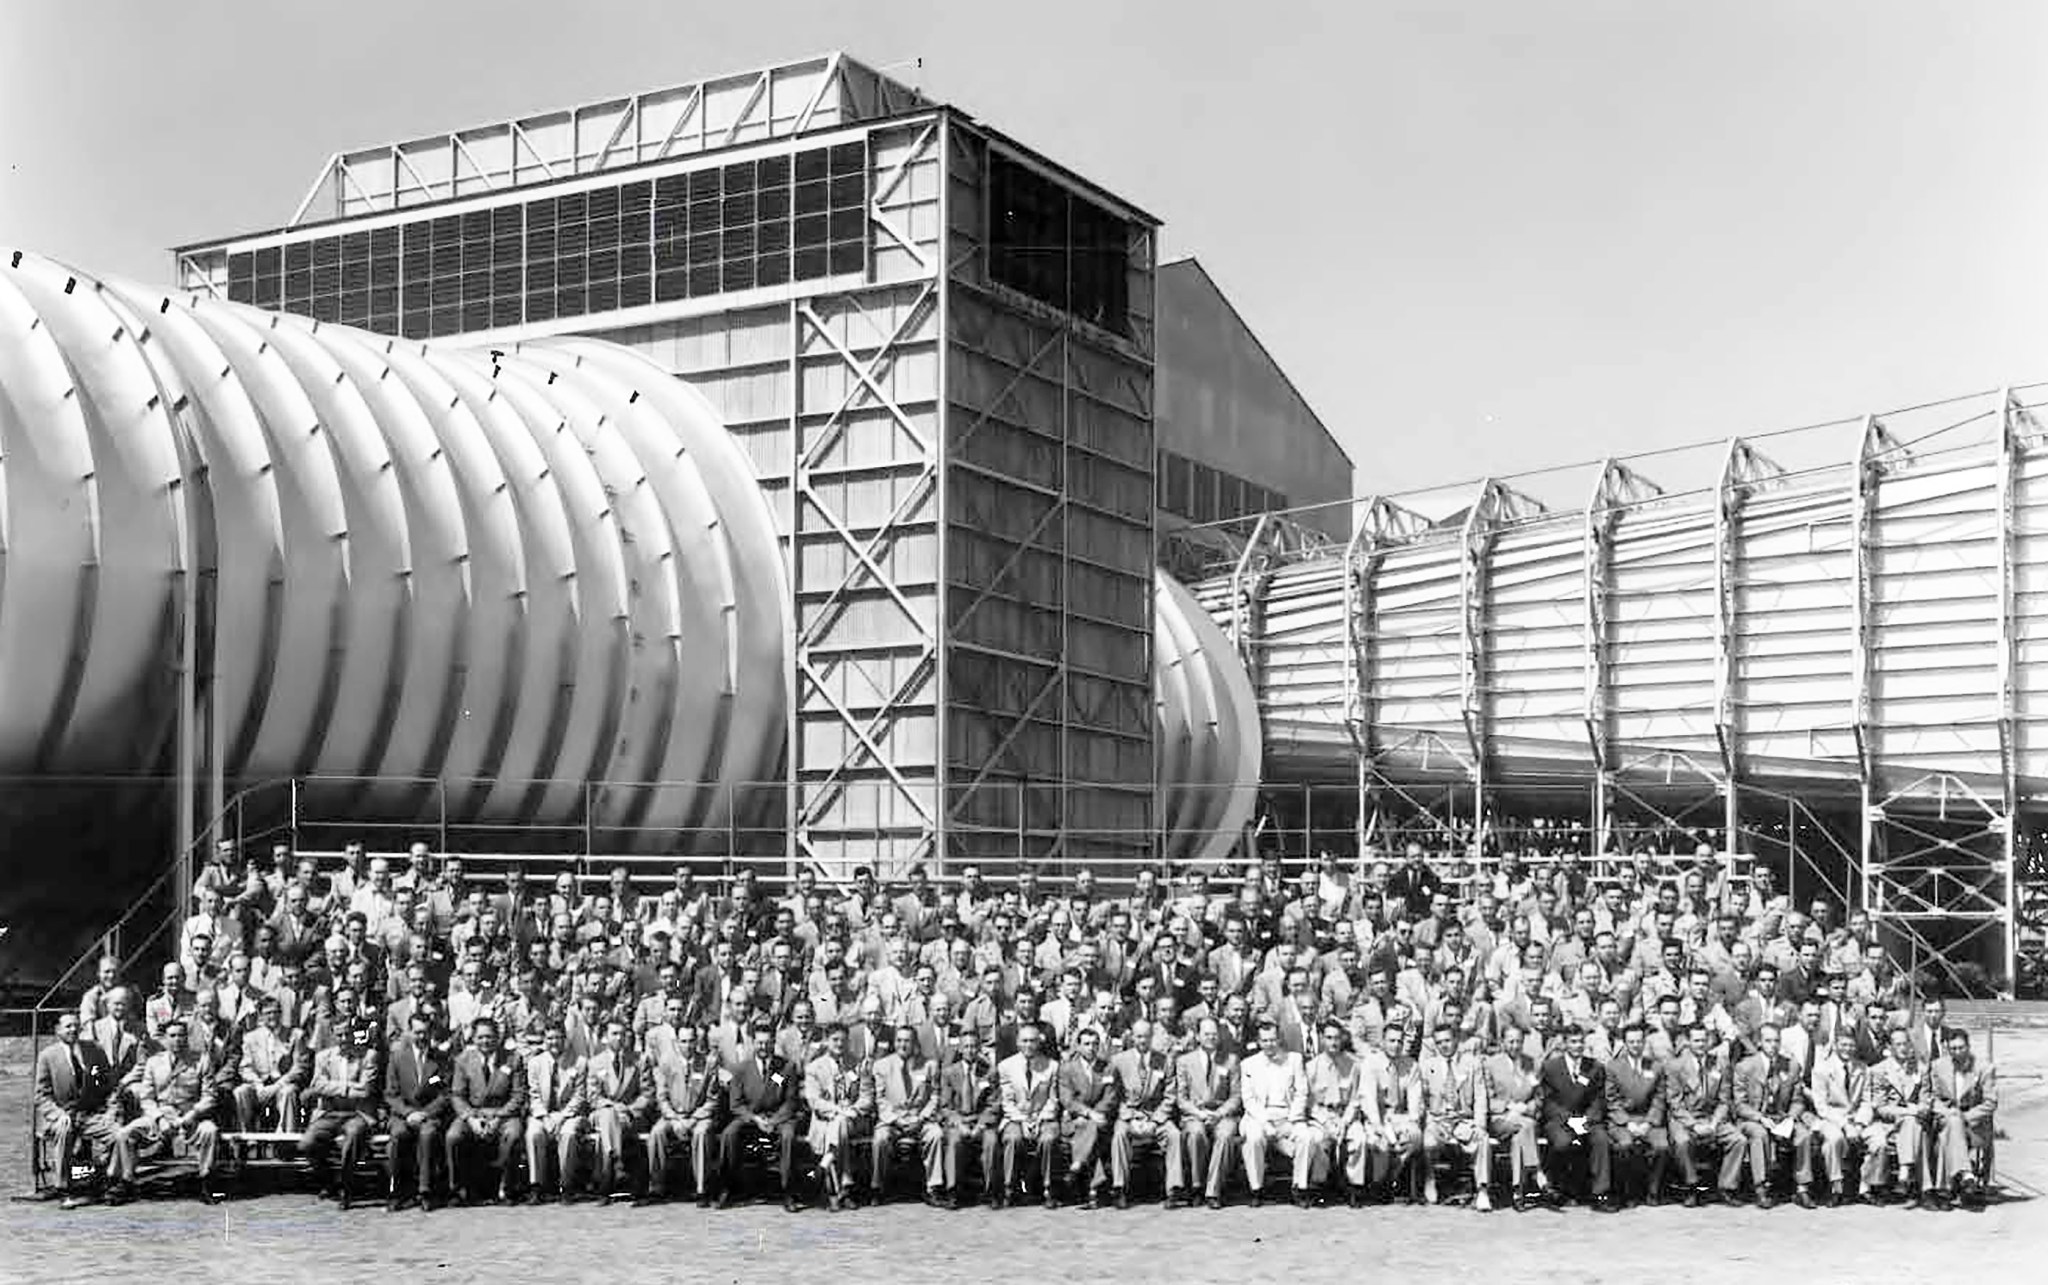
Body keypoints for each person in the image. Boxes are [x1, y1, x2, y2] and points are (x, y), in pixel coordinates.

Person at [116, 1014, 224, 1204]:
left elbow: (210, 1096)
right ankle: (127, 1182)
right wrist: (159, 1118)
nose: (177, 1040)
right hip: (161, 1116)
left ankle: (207, 1182)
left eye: (181, 1036)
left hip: (190, 1115)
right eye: (172, 1036)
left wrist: (193, 1114)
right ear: (164, 1039)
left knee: (210, 1131)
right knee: (125, 1134)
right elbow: (147, 1098)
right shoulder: (153, 1062)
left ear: (187, 1038)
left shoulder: (201, 1060)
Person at [716, 1013, 800, 1211]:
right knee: (729, 1134)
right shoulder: (741, 1069)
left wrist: (774, 1121)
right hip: (751, 1118)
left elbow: (790, 1101)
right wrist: (754, 1119)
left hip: (778, 1118)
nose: (763, 1047)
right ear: (752, 1043)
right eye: (759, 1043)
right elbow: (736, 1104)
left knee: (789, 1135)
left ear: (773, 1042)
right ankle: (728, 1187)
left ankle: (788, 1191)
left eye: (768, 1043)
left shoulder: (786, 1067)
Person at [34, 1012, 119, 1209]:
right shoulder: (48, 1056)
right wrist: (58, 1114)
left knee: (118, 1135)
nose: (73, 1029)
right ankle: (64, 1188)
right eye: (68, 1026)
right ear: (58, 1030)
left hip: (89, 1114)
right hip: (61, 1115)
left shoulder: (94, 1051)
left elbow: (106, 1085)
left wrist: (110, 1111)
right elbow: (41, 1095)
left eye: (75, 1026)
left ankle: (104, 1179)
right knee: (65, 1131)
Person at [298, 1020, 381, 1209]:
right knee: (307, 1143)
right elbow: (317, 1086)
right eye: (339, 1035)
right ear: (333, 1036)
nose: (343, 1039)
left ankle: (347, 1186)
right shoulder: (323, 1057)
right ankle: (328, 1181)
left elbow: (365, 1091)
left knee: (352, 1136)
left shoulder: (368, 1056)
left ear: (354, 1035)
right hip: (330, 1112)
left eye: (347, 1034)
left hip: (357, 1113)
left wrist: (332, 1088)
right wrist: (347, 1087)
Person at [446, 1015, 526, 1205]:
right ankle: (458, 1190)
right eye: (480, 1037)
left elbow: (518, 1095)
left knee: (513, 1134)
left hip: (503, 1113)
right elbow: (457, 1095)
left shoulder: (513, 1059)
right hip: (473, 1113)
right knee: (453, 1136)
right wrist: (470, 1118)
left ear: (497, 1038)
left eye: (489, 1037)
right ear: (473, 1038)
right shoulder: (463, 1060)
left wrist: (499, 1117)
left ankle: (507, 1189)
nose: (485, 1041)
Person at [1731, 1023, 1811, 1208]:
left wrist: (1791, 1117)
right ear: (1759, 1042)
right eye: (1768, 1041)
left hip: (1781, 1118)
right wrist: (1760, 1118)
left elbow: (1798, 1100)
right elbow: (1739, 1104)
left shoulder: (1790, 1065)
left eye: (1776, 1041)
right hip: (1753, 1118)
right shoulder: (1745, 1066)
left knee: (1803, 1134)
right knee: (1759, 1134)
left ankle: (1802, 1188)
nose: (1773, 1045)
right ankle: (1761, 1188)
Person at [646, 1022, 723, 1206]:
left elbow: (713, 1099)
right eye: (683, 1041)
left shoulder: (707, 1063)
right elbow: (662, 1097)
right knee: (656, 1133)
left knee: (701, 1133)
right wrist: (673, 1118)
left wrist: (694, 1118)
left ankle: (701, 1189)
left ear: (697, 1041)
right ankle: (656, 1187)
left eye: (691, 1041)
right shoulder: (666, 1062)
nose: (687, 1045)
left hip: (699, 1116)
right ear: (676, 1043)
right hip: (674, 1115)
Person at [1108, 1018, 1181, 1208]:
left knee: (1174, 1134)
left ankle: (1173, 1189)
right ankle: (1120, 1187)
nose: (1143, 1040)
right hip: (1129, 1114)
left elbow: (1170, 1095)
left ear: (1152, 1037)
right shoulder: (1119, 1061)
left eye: (1147, 1036)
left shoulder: (1164, 1060)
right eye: (1139, 1036)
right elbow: (1113, 1096)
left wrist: (1155, 1120)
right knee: (1119, 1135)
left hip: (1155, 1114)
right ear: (1132, 1037)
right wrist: (1129, 1117)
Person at [383, 1010, 451, 1210]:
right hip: (403, 1114)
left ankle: (425, 1191)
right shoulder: (397, 1058)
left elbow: (444, 1094)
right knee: (398, 1135)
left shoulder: (440, 1059)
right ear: (409, 1033)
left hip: (428, 1114)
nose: (421, 1037)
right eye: (417, 1032)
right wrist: (408, 1113)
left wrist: (426, 1113)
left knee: (428, 1134)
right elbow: (391, 1094)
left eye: (425, 1033)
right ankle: (396, 1192)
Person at [1537, 1026, 1612, 1209]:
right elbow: (1548, 1101)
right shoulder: (1551, 1067)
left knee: (1601, 1139)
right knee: (1563, 1143)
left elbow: (1597, 1099)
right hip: (1560, 1120)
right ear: (1564, 1044)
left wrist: (1587, 1120)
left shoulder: (1595, 1067)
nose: (1578, 1046)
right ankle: (1563, 1189)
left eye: (1580, 1042)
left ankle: (1600, 1194)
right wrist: (1569, 1119)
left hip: (1587, 1120)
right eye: (1573, 1042)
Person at [869, 1022, 941, 1205]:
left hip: (919, 1119)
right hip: (893, 1121)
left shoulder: (929, 1065)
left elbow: (934, 1097)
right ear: (894, 1042)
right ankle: (878, 1187)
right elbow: (880, 1099)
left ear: (915, 1043)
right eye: (899, 1040)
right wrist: (896, 1120)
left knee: (936, 1134)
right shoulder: (881, 1066)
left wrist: (922, 1118)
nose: (903, 1045)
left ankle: (933, 1188)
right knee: (880, 1138)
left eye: (907, 1041)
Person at [1238, 1017, 1307, 1207]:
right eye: (1265, 1041)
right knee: (1254, 1137)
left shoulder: (1294, 1060)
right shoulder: (1248, 1064)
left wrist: (1292, 1121)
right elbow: (1249, 1100)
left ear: (1279, 1039)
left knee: (1305, 1136)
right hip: (1259, 1116)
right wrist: (1265, 1123)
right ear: (1259, 1042)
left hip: (1288, 1116)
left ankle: (1300, 1188)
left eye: (1273, 1040)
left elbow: (1302, 1093)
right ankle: (1256, 1189)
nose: (1269, 1044)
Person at [1479, 1026, 1549, 1210]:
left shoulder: (1531, 1063)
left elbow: (1539, 1096)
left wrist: (1527, 1108)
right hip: (1500, 1119)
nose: (1515, 1045)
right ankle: (1537, 1171)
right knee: (1526, 1126)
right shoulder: (1491, 1064)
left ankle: (1518, 1190)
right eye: (1510, 1041)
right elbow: (1486, 1097)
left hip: (1523, 1118)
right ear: (1502, 1042)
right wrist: (1508, 1107)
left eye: (1518, 1041)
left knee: (1521, 1134)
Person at [1176, 1014, 1242, 1209]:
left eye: (1214, 1034)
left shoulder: (1231, 1060)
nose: (1210, 1037)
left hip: (1222, 1114)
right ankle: (1197, 1185)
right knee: (1195, 1134)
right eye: (1206, 1034)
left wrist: (1219, 1113)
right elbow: (1181, 1098)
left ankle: (1213, 1191)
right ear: (1197, 1036)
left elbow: (1236, 1096)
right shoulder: (1184, 1061)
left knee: (1225, 1135)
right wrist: (1199, 1114)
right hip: (1196, 1113)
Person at [1602, 1022, 1671, 1207]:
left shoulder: (1656, 1066)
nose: (1636, 1045)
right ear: (1625, 1043)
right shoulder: (1613, 1067)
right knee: (1625, 1145)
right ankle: (1629, 1191)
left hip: (1647, 1119)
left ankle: (1653, 1191)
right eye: (1631, 1042)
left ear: (1644, 1042)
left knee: (1662, 1146)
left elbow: (1659, 1097)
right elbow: (1611, 1100)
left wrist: (1649, 1122)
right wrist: (1627, 1123)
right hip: (1623, 1120)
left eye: (1639, 1041)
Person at [583, 1018, 651, 1200]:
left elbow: (647, 1094)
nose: (619, 1038)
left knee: (609, 1123)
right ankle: (619, 1164)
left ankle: (605, 1182)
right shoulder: (595, 1063)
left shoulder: (639, 1061)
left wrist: (628, 1109)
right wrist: (615, 1108)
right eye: (614, 1034)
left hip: (629, 1116)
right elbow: (592, 1096)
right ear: (605, 1036)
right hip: (602, 1113)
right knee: (607, 1115)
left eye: (622, 1034)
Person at [1928, 1027, 1996, 1208]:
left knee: (1949, 1132)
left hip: (1973, 1124)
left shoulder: (1984, 1068)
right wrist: (1947, 1112)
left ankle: (1945, 1189)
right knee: (1952, 1123)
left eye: (1961, 1048)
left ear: (1969, 1046)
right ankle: (1966, 1175)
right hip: (1946, 1116)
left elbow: (1990, 1103)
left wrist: (1965, 1116)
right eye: (1953, 1049)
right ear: (1948, 1049)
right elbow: (1932, 1097)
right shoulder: (1938, 1066)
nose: (1957, 1052)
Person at [804, 1024, 870, 1211]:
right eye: (835, 1040)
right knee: (839, 1127)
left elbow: (867, 1097)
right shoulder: (814, 1068)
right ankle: (844, 1189)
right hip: (825, 1121)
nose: (839, 1044)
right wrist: (839, 1111)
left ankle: (829, 1180)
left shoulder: (857, 1064)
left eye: (843, 1040)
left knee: (840, 1126)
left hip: (854, 1121)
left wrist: (855, 1109)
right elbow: (814, 1101)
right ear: (826, 1041)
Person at [996, 1022, 1060, 1207]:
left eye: (1032, 1041)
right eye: (1024, 1041)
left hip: (1044, 1117)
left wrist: (1040, 1119)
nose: (1029, 1045)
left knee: (1048, 1138)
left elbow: (1053, 1099)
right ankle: (1009, 1187)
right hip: (1016, 1118)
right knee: (1013, 1138)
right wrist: (1022, 1120)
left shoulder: (1052, 1066)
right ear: (1017, 1042)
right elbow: (1007, 1101)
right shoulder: (1006, 1066)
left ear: (1039, 1042)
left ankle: (1048, 1188)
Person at [1419, 1019, 1482, 1207]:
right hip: (1439, 1120)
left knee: (1481, 1139)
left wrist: (1480, 1124)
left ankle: (1481, 1189)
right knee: (1429, 1142)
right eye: (1438, 1043)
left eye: (1447, 1041)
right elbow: (1422, 1099)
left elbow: (1480, 1098)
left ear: (1456, 1040)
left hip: (1463, 1119)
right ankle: (1430, 1178)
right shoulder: (1427, 1066)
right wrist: (1428, 1119)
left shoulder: (1471, 1063)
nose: (1443, 1046)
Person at [1864, 1024, 1930, 1204]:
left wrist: (1923, 1108)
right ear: (1890, 1047)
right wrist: (1908, 1111)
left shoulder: (1920, 1068)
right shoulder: (1879, 1070)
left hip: (1916, 1122)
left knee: (1914, 1123)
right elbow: (1880, 1107)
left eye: (1905, 1043)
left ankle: (1904, 1170)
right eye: (1898, 1044)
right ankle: (1920, 1183)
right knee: (1911, 1121)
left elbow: (1926, 1098)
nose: (1903, 1048)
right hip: (1888, 1124)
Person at [936, 1026, 1000, 1209]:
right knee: (954, 1140)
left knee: (991, 1140)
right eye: (967, 1046)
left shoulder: (988, 1072)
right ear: (960, 1049)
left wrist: (980, 1125)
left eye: (974, 1046)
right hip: (959, 1121)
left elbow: (993, 1104)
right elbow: (945, 1106)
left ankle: (991, 1191)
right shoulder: (949, 1073)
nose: (970, 1050)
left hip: (981, 1121)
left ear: (979, 1048)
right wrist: (958, 1123)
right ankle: (953, 1191)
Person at [523, 1023, 587, 1203]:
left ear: (565, 1040)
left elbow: (580, 1095)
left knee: (568, 1134)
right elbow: (533, 1095)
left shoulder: (579, 1062)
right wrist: (544, 1117)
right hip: (543, 1113)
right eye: (550, 1038)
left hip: (569, 1114)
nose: (554, 1042)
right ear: (544, 1041)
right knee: (533, 1134)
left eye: (558, 1038)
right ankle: (536, 1186)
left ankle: (566, 1186)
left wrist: (563, 1116)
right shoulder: (535, 1063)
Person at [1056, 1025, 1118, 1208]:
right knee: (1092, 1131)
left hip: (1100, 1119)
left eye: (1095, 1044)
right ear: (1078, 1046)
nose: (1091, 1048)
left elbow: (1110, 1097)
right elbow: (1067, 1099)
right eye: (1087, 1044)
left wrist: (1096, 1114)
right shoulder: (1067, 1069)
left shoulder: (1107, 1068)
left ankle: (1077, 1166)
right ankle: (1096, 1188)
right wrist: (1088, 1113)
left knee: (1093, 1129)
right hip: (1076, 1119)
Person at [234, 996, 303, 1132]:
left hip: (282, 1084)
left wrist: (277, 1086)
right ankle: (247, 1138)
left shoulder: (295, 1035)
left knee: (289, 1092)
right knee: (241, 1092)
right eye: (268, 1013)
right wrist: (258, 1085)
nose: (273, 1016)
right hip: (260, 1086)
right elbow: (245, 1068)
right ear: (260, 1016)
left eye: (276, 1012)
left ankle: (285, 1139)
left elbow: (299, 1068)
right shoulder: (250, 1038)